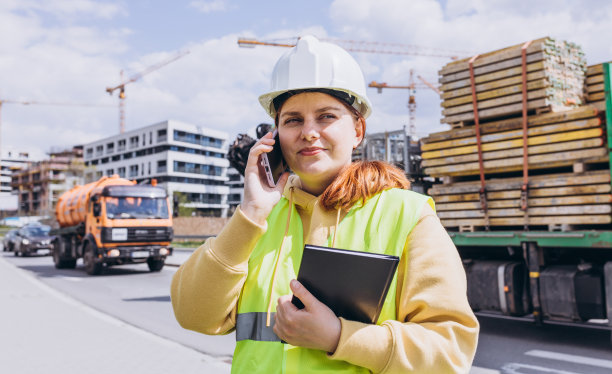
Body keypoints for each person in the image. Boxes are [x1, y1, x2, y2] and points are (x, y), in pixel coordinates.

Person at [171, 35, 479, 373]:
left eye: (326, 116)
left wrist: (339, 337)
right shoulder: (258, 221)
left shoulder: (407, 215)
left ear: (358, 129)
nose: (309, 132)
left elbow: (450, 355)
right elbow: (192, 314)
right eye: (292, 120)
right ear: (275, 135)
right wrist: (250, 214)